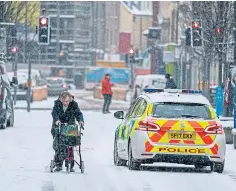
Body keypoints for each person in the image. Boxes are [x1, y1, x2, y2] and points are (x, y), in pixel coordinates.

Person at [51, 91, 84, 172]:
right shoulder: (57, 104)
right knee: (60, 145)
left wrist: (80, 120)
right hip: (59, 126)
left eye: (67, 101)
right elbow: (54, 113)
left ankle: (70, 164)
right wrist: (57, 120)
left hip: (70, 126)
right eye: (64, 101)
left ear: (70, 100)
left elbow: (78, 113)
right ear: (61, 100)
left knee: (70, 145)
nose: (66, 103)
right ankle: (59, 164)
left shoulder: (74, 104)